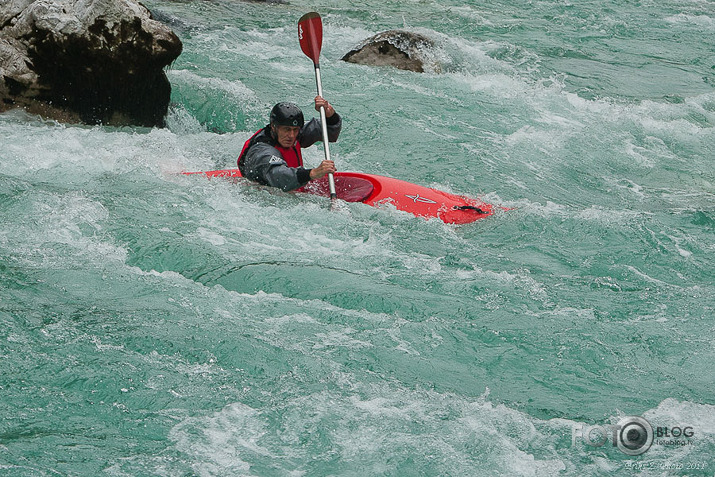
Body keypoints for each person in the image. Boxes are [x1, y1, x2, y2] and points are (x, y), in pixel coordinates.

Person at [237, 96, 340, 191]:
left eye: (295, 130)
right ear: (273, 127)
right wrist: (312, 173)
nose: (291, 135)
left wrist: (330, 115)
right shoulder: (262, 150)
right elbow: (279, 177)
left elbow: (328, 133)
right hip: (266, 198)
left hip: (293, 189)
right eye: (287, 129)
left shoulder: (292, 134)